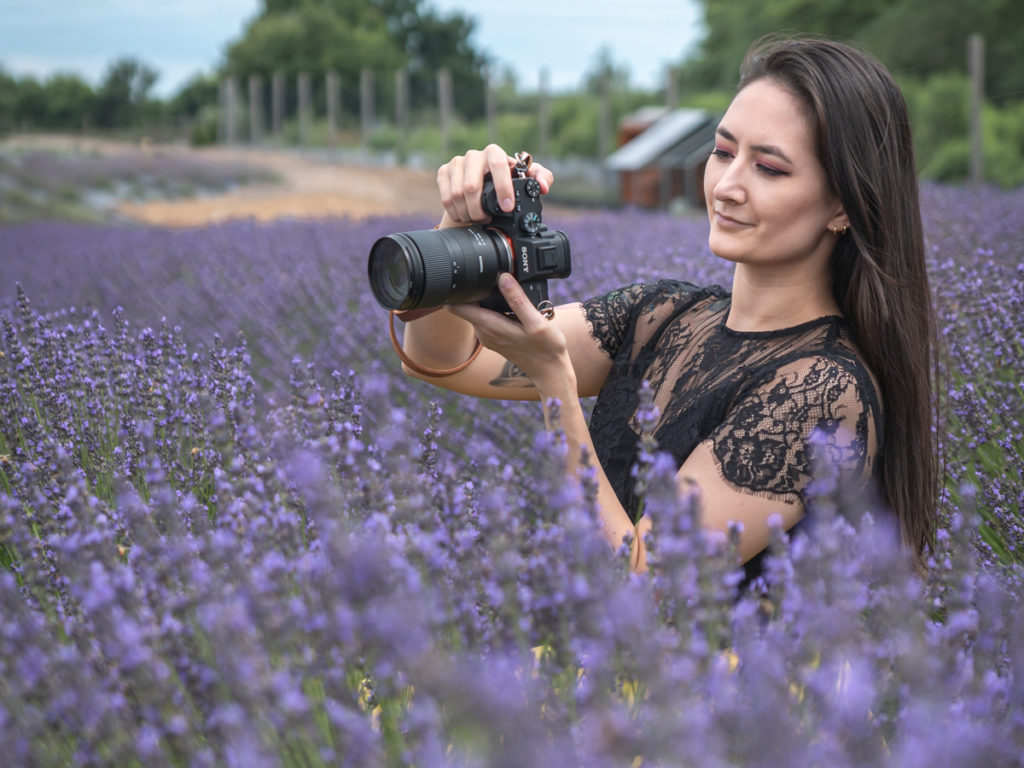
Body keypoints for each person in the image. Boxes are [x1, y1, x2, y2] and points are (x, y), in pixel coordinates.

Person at [396, 35, 938, 581]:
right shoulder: (664, 317)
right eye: (723, 152)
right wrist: (465, 228)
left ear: (842, 205)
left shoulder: (821, 390)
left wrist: (554, 388)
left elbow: (642, 584)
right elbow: (448, 360)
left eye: (768, 168)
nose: (726, 185)